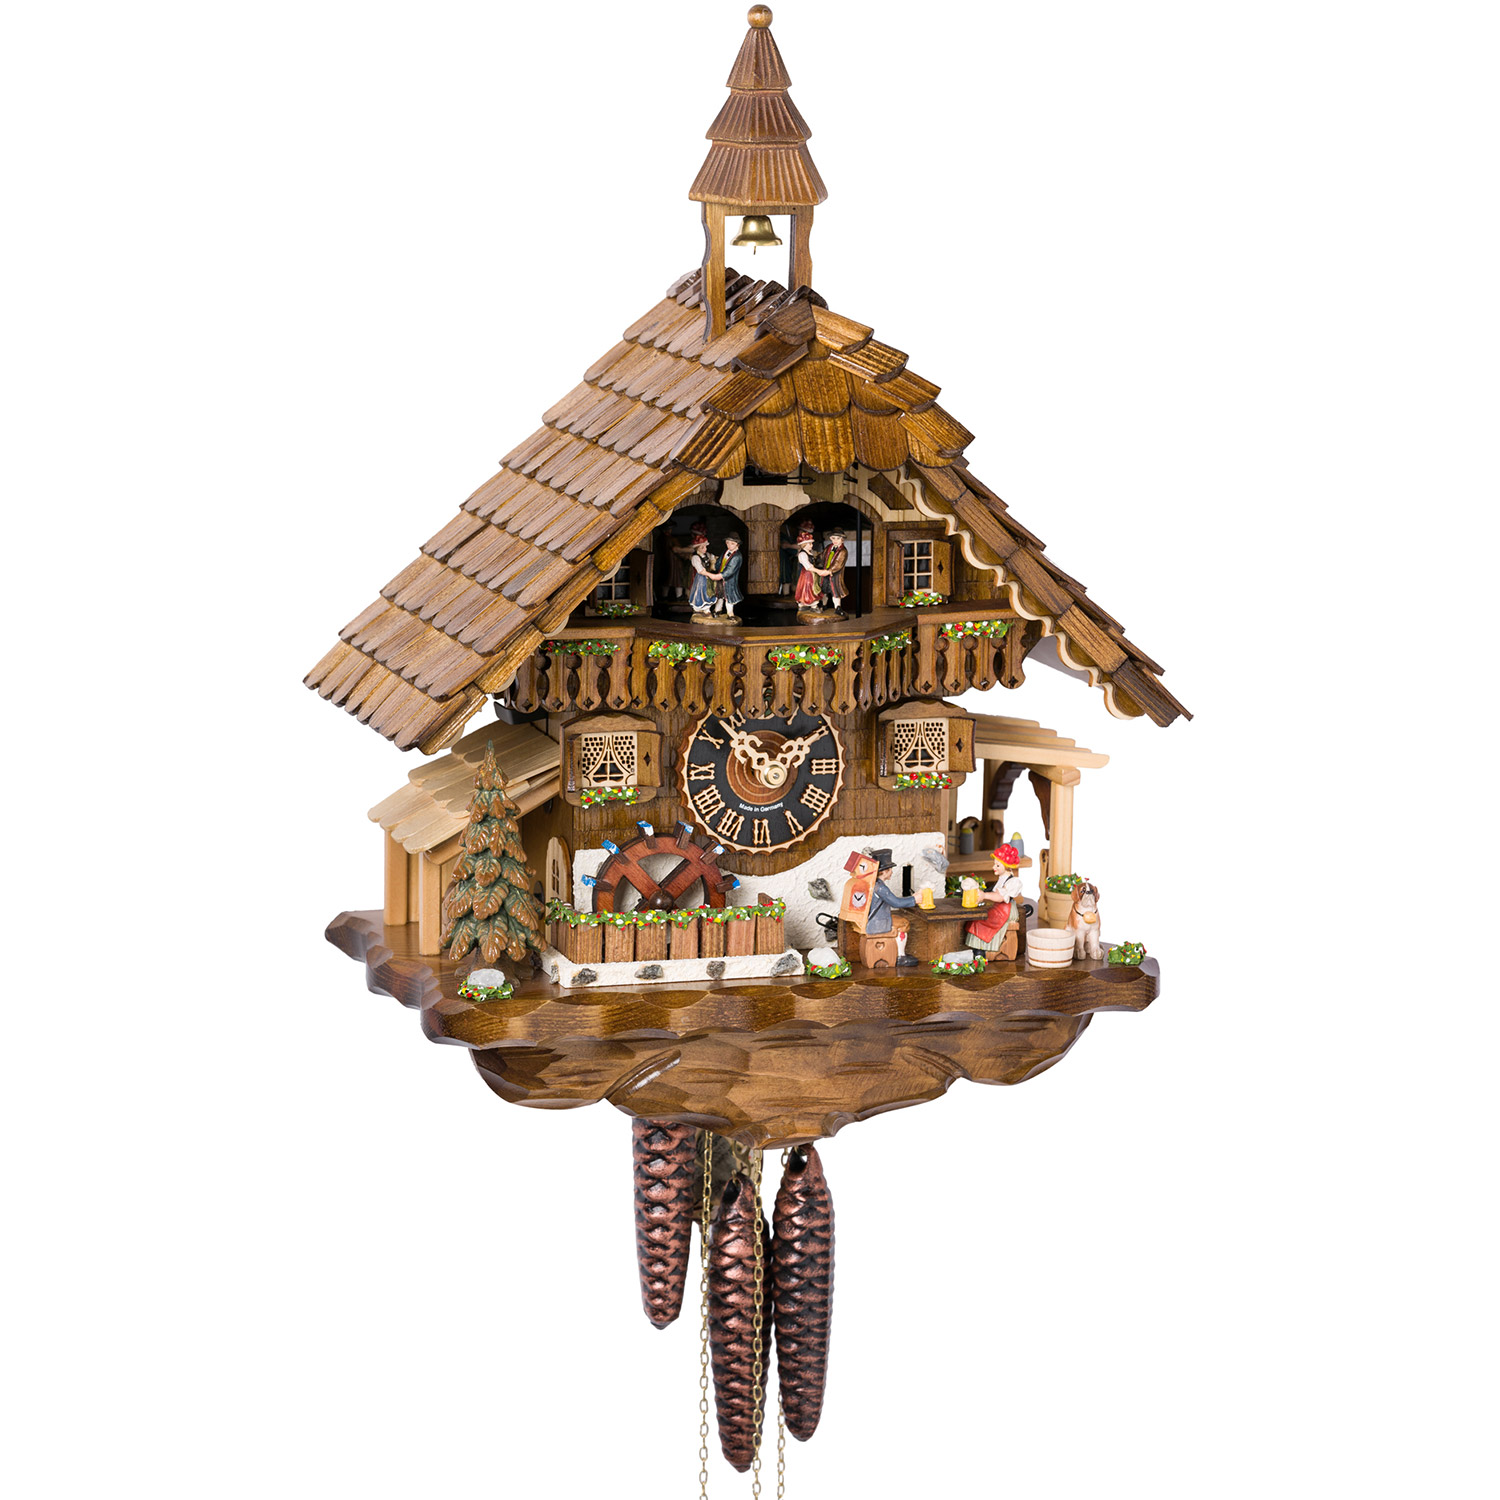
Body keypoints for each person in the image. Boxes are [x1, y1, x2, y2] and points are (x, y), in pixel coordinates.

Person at [964, 843, 1025, 960]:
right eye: (994, 864)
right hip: (999, 908)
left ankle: (982, 950)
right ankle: (977, 947)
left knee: (982, 920)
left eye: (997, 865)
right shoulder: (1001, 879)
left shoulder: (1013, 882)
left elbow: (1000, 897)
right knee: (976, 918)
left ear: (1007, 866)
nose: (994, 867)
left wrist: (984, 895)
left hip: (1006, 911)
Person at [865, 849, 920, 967]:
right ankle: (900, 956)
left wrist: (912, 898)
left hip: (874, 920)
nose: (891, 872)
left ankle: (899, 953)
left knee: (899, 920)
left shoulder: (874, 883)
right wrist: (914, 900)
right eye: (890, 870)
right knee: (904, 923)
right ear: (884, 871)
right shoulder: (880, 887)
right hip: (877, 923)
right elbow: (895, 902)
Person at [794, 523, 830, 608]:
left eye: (811, 543)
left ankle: (811, 604)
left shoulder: (810, 552)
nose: (812, 545)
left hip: (812, 574)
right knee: (808, 589)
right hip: (807, 575)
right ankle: (809, 605)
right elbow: (808, 567)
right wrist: (819, 571)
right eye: (809, 544)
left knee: (813, 589)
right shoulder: (802, 554)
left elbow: (815, 558)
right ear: (804, 545)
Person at [707, 534, 744, 617]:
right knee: (720, 595)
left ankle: (730, 614)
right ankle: (717, 611)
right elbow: (719, 563)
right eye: (727, 543)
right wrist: (715, 566)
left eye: (732, 543)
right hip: (720, 578)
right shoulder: (725, 552)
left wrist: (719, 576)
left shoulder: (737, 557)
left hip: (729, 580)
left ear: (737, 544)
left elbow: (730, 570)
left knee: (728, 597)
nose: (729, 545)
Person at [670, 520, 708, 597]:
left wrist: (680, 550)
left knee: (693, 583)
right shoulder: (694, 544)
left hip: (696, 568)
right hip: (690, 567)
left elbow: (692, 549)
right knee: (688, 583)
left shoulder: (699, 544)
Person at [821, 527, 849, 614]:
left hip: (835, 575)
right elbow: (822, 556)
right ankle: (823, 605)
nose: (835, 540)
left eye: (838, 538)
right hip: (825, 573)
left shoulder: (843, 551)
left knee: (835, 592)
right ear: (830, 538)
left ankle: (837, 607)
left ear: (842, 539)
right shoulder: (828, 548)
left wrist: (830, 570)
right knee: (824, 590)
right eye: (833, 538)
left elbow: (838, 563)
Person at [687, 536, 717, 614]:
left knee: (709, 591)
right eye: (702, 547)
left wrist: (714, 561)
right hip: (701, 578)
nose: (705, 549)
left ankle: (707, 608)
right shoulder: (695, 557)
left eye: (705, 547)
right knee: (700, 592)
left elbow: (713, 558)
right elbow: (700, 570)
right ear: (697, 548)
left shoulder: (707, 555)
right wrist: (710, 575)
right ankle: (699, 607)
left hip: (708, 577)